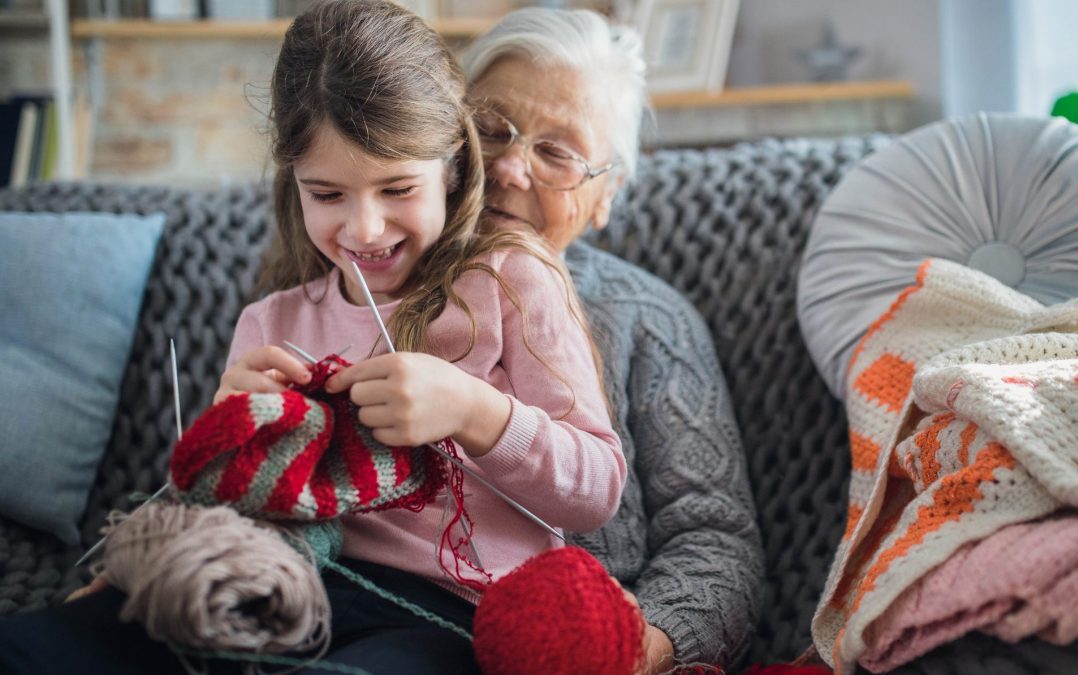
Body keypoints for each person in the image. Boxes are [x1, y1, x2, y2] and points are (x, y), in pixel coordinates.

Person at [0, 1, 624, 673]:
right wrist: (230, 438)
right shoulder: (270, 323)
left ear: (451, 167)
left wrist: (476, 412)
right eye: (328, 194)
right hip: (280, 583)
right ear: (292, 183)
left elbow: (595, 489)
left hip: (448, 616)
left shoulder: (512, 282)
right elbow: (230, 506)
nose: (364, 228)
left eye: (398, 188)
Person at [461, 8, 765, 673]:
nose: (511, 167)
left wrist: (634, 646)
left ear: (608, 194)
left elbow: (714, 540)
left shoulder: (649, 318)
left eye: (557, 152)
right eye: (489, 128)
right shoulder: (368, 280)